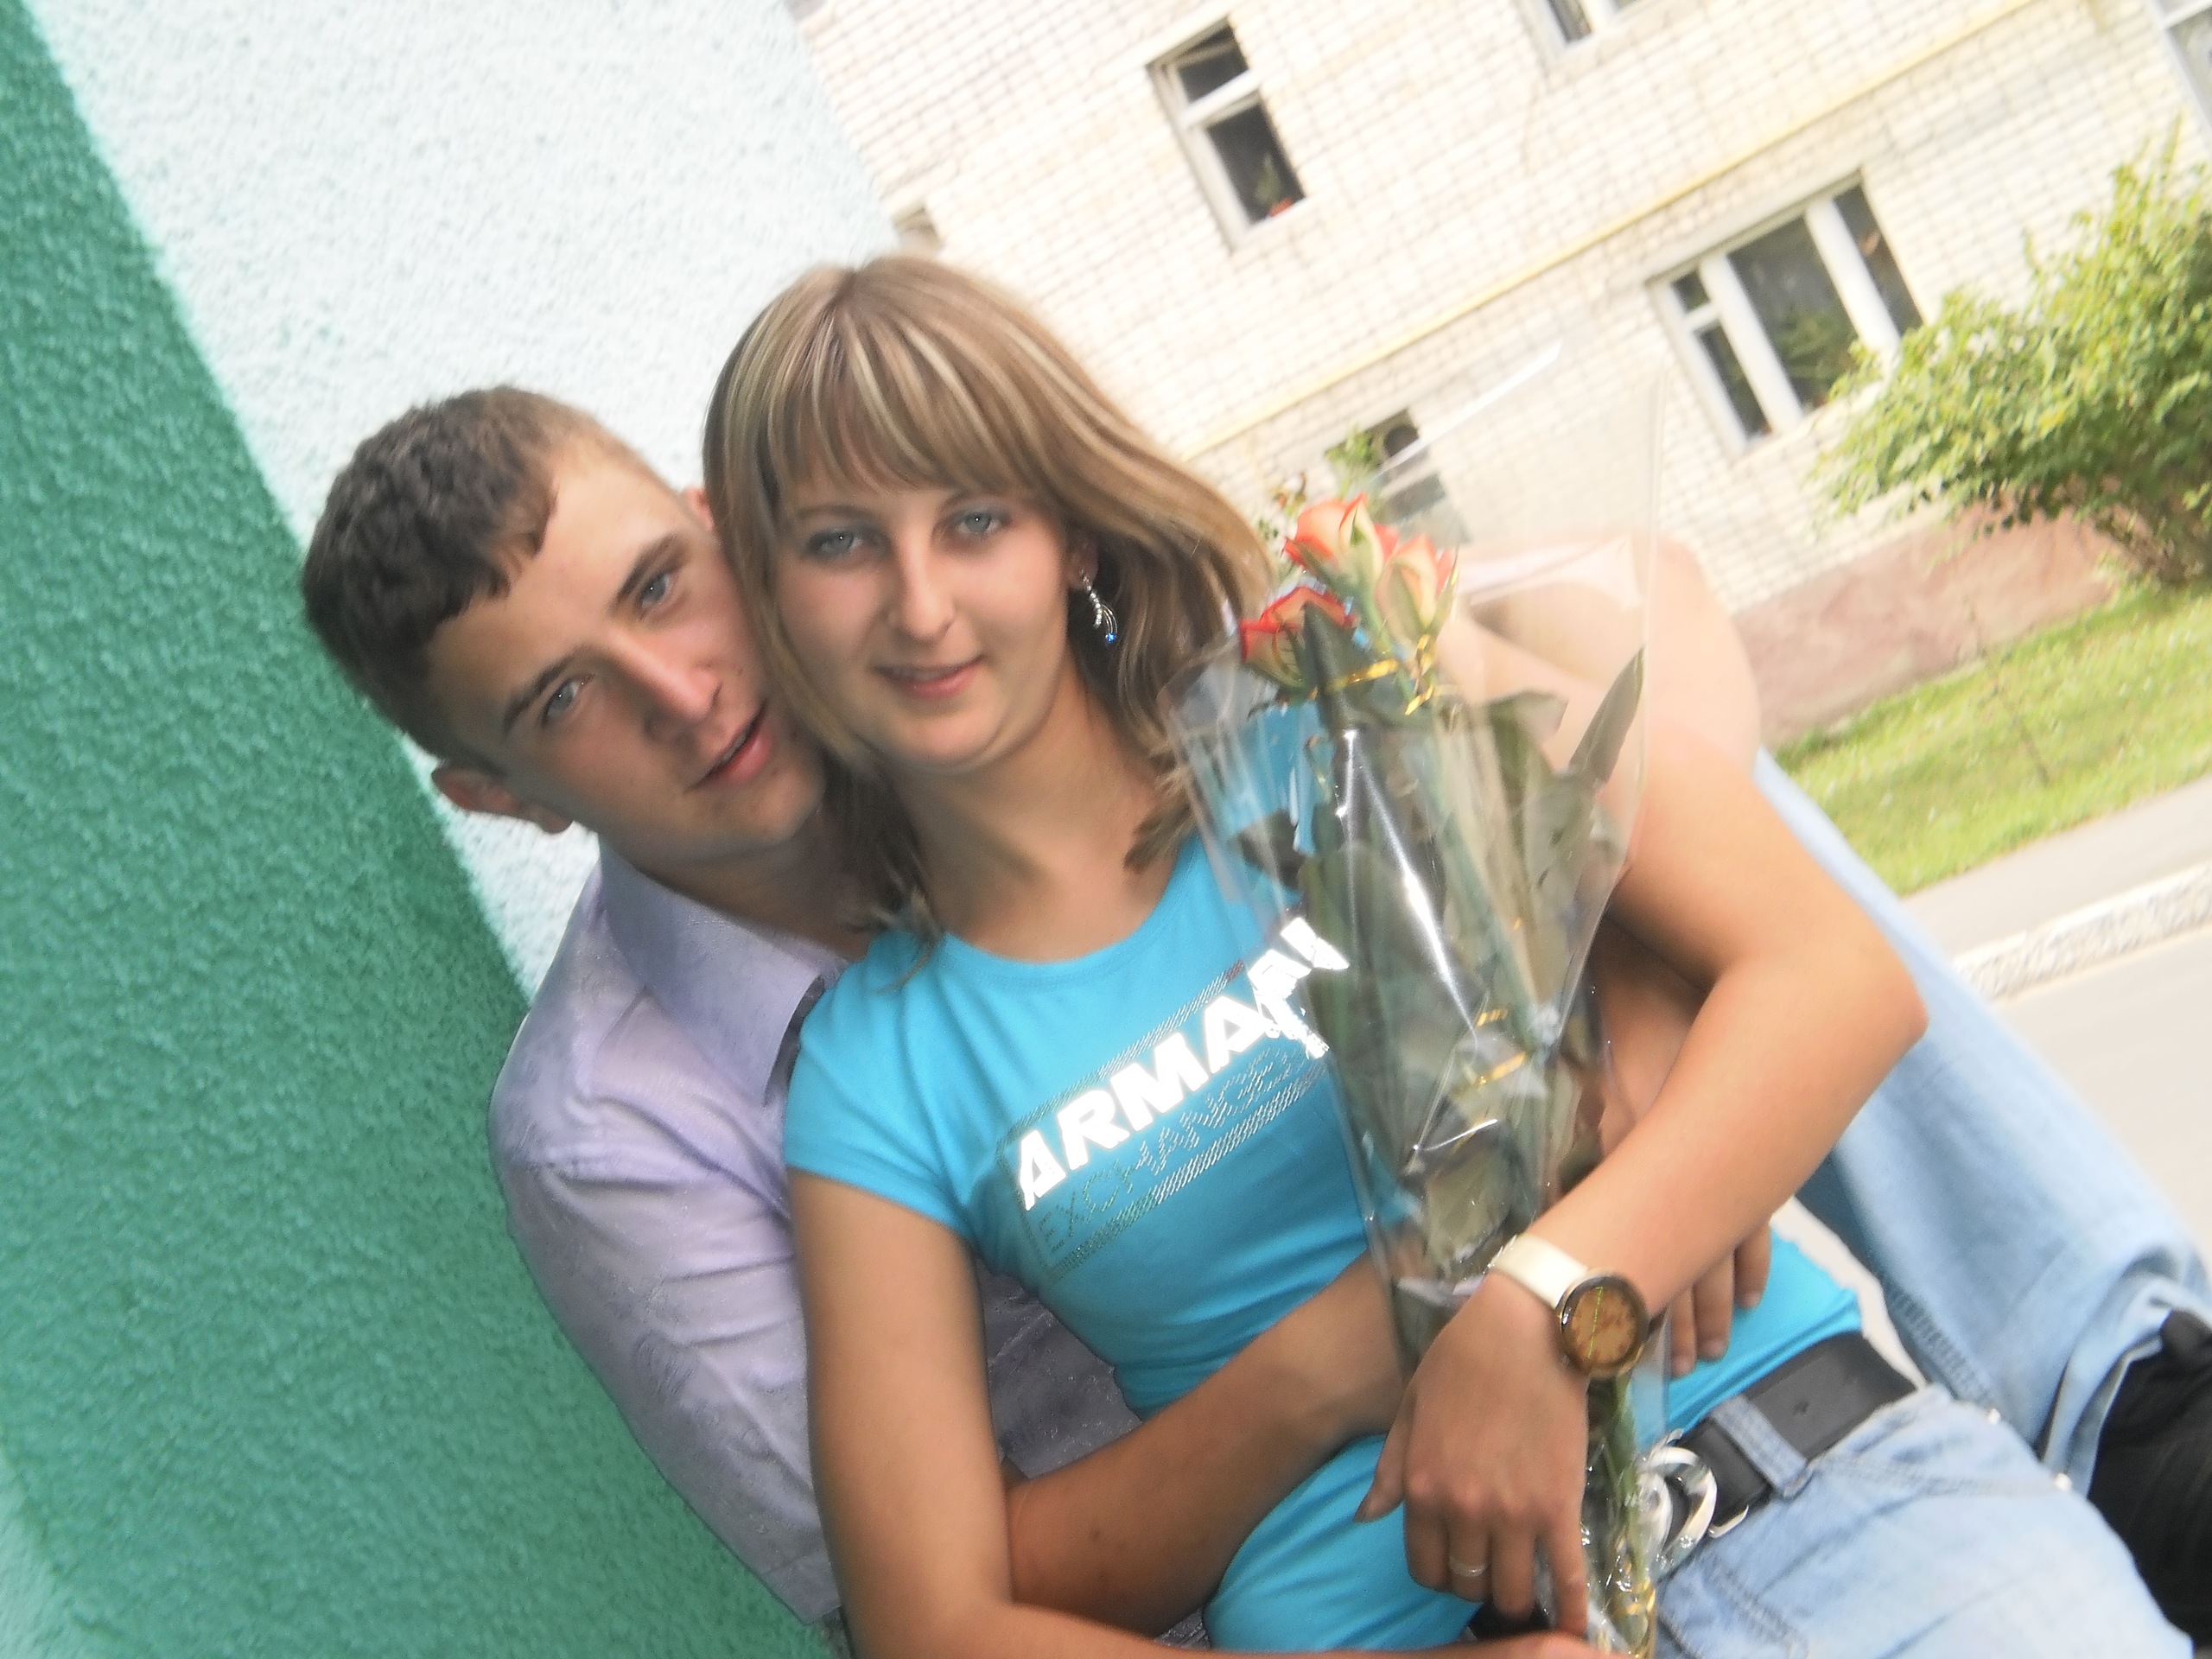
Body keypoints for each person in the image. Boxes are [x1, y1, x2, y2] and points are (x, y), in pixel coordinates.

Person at [297, 371, 2211, 1650]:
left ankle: (2123, 1384)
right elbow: (924, 1604)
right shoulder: (629, 1128)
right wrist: (1394, 1336)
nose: (682, 691)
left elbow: (1630, 603)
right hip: (1310, 1584)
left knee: (1594, 802)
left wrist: (1609, 1027)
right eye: (563, 702)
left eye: (663, 586)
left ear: (725, 526)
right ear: (497, 797)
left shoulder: (1100, 682)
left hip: (1679, 1399)